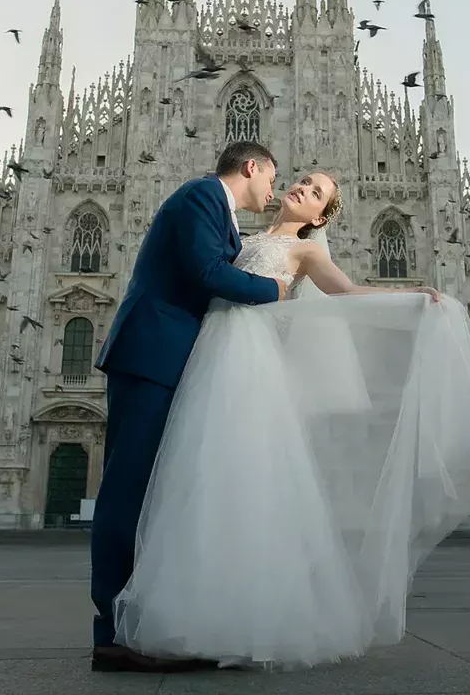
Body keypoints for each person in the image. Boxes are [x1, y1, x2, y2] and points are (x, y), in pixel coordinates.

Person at [112, 170, 470, 670]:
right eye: (302, 181)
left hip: (249, 365)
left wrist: (413, 295)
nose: (302, 187)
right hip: (204, 358)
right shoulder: (238, 235)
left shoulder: (308, 251)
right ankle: (201, 615)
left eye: (316, 192)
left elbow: (345, 294)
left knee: (249, 483)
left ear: (319, 217)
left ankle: (245, 619)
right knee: (201, 484)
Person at [89, 141, 290, 673]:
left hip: (171, 360)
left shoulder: (217, 213)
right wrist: (278, 289)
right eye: (273, 177)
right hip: (151, 355)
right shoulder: (200, 196)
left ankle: (142, 625)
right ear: (251, 167)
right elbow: (207, 274)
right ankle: (110, 634)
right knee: (127, 494)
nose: (275, 190)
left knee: (155, 496)